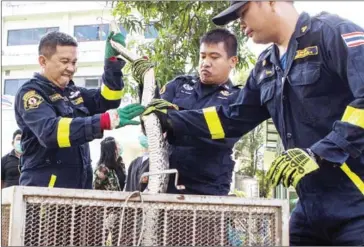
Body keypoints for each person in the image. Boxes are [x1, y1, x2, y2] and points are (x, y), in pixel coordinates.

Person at [143, 1, 364, 245]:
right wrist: (171, 119)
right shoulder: (265, 66)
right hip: (310, 207)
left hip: (356, 202)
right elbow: (231, 119)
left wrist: (319, 153)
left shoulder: (331, 33)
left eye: (243, 12)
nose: (240, 22)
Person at [14, 30, 144, 189]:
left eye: (74, 62)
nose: (71, 68)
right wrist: (103, 121)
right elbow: (50, 132)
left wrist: (112, 64)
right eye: (64, 61)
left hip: (79, 190)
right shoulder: (30, 94)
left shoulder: (72, 92)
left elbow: (107, 100)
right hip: (45, 193)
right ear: (43, 61)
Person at [139, 28, 241, 195]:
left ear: (232, 61)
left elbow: (222, 133)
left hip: (207, 191)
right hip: (166, 185)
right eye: (202, 56)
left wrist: (172, 121)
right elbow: (152, 124)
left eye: (214, 57)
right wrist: (145, 84)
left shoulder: (236, 98)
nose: (205, 63)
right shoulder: (179, 85)